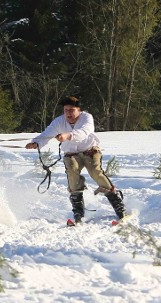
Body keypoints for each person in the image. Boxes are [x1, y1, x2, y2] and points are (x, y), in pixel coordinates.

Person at [25, 95, 126, 223]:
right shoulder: (58, 122)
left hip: (90, 151)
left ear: (78, 110)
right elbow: (46, 134)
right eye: (66, 110)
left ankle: (118, 204)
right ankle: (78, 211)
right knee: (72, 174)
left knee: (95, 172)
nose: (69, 113)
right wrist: (36, 143)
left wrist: (67, 135)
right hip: (71, 154)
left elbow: (84, 131)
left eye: (72, 110)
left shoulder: (87, 118)